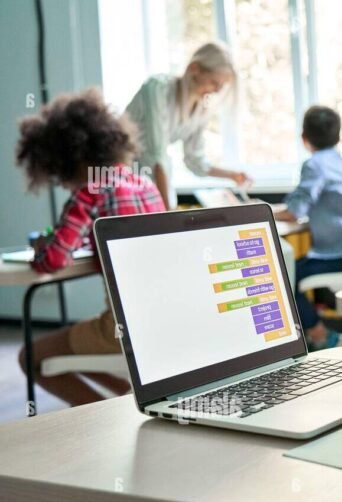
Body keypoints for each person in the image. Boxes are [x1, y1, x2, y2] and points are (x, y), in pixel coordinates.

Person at [16, 89, 166, 407]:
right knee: (76, 350)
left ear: (72, 160)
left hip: (120, 328)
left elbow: (54, 260)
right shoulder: (145, 185)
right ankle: (126, 403)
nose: (62, 183)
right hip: (161, 322)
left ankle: (99, 422)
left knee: (30, 357)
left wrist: (44, 248)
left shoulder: (89, 192)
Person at [274, 106, 342, 350]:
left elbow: (295, 211)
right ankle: (320, 330)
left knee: (283, 275)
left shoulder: (315, 164)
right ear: (337, 136)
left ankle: (321, 335)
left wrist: (263, 211)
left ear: (304, 138)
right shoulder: (338, 161)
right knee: (298, 269)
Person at [125, 42, 250, 209]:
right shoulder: (157, 90)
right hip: (119, 173)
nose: (217, 91)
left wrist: (231, 175)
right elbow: (156, 155)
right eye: (214, 82)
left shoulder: (201, 110)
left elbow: (195, 161)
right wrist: (168, 213)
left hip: (149, 181)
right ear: (194, 68)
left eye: (222, 86)